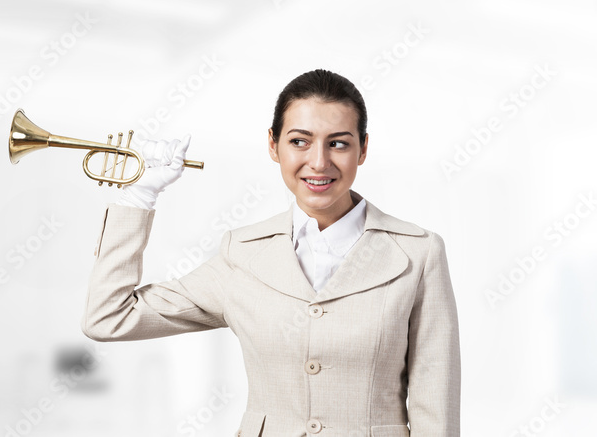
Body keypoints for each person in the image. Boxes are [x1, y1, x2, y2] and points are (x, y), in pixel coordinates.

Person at [81, 69, 460, 436]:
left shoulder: (417, 253)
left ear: (362, 149)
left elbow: (435, 407)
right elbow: (109, 318)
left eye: (338, 143)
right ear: (273, 145)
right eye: (299, 141)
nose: (319, 162)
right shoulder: (242, 256)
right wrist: (139, 196)